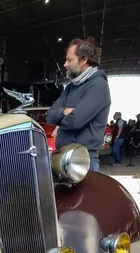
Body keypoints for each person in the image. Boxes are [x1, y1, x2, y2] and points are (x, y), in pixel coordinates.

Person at [46, 37, 111, 172]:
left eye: (69, 60)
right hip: (63, 157)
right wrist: (64, 112)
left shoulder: (98, 86)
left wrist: (62, 118)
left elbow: (75, 120)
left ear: (83, 60)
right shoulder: (71, 87)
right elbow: (49, 115)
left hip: (81, 161)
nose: (65, 64)